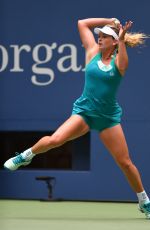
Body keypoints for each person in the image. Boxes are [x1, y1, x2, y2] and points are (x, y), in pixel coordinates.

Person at [4, 18, 150, 218]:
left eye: (105, 37)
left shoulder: (119, 62)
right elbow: (82, 23)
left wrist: (123, 40)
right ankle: (25, 156)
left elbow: (123, 64)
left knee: (125, 163)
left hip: (108, 118)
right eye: (99, 35)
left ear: (115, 42)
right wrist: (109, 21)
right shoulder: (91, 52)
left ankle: (144, 201)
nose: (99, 39)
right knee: (56, 140)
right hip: (84, 112)